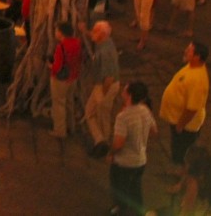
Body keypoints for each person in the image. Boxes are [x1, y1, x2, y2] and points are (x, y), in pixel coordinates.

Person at [107, 81, 158, 216]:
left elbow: (119, 143)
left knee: (119, 188)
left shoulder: (123, 117)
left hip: (124, 163)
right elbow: (154, 131)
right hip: (141, 160)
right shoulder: (145, 110)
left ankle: (120, 209)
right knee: (136, 187)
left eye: (125, 90)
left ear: (129, 95)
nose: (122, 92)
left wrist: (110, 153)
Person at [159, 41, 210, 167]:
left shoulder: (198, 80)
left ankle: (183, 180)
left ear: (197, 57)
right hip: (178, 120)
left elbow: (192, 109)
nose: (185, 51)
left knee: (183, 155)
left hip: (186, 125)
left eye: (189, 51)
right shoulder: (192, 66)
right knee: (178, 151)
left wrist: (180, 125)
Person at [84, 20, 120, 157]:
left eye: (95, 31)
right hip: (101, 85)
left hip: (106, 86)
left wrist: (103, 95)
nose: (92, 33)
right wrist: (84, 31)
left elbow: (109, 78)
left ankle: (103, 144)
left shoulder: (105, 52)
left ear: (102, 34)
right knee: (90, 112)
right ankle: (100, 139)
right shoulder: (105, 41)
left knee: (102, 115)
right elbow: (94, 36)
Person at [164, 146, 211, 216]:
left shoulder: (193, 184)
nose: (185, 165)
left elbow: (187, 212)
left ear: (193, 167)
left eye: (187, 163)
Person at [49, 22, 82, 138]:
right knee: (69, 102)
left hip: (61, 80)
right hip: (73, 77)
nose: (55, 32)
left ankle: (60, 131)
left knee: (59, 104)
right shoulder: (77, 43)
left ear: (61, 33)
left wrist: (50, 66)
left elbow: (57, 67)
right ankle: (71, 127)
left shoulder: (61, 47)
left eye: (56, 30)